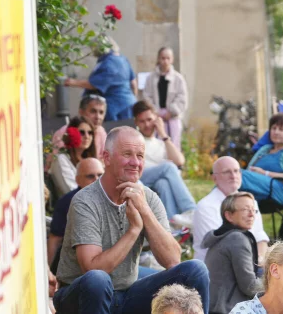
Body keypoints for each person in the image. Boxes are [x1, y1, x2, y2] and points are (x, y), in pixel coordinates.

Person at [53, 126, 209, 314]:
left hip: (126, 293)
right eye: (127, 154)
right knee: (98, 279)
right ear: (107, 158)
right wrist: (134, 230)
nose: (135, 162)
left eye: (140, 156)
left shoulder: (148, 198)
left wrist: (144, 210)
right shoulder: (85, 200)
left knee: (195, 270)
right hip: (79, 295)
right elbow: (92, 268)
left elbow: (172, 260)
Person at [192, 156, 269, 262]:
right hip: (216, 266)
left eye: (236, 171)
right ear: (214, 178)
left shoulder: (251, 202)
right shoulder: (205, 207)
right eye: (227, 172)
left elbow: (260, 237)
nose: (233, 176)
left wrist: (259, 260)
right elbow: (221, 247)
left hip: (248, 262)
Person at [133, 101, 196, 226]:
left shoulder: (161, 143)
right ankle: (190, 209)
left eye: (149, 120)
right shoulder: (134, 139)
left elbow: (179, 161)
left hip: (156, 180)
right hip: (140, 177)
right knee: (168, 167)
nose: (147, 125)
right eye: (142, 121)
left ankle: (171, 224)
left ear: (156, 119)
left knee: (163, 183)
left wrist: (163, 134)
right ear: (136, 122)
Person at [48, 158, 104, 269]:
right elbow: (55, 239)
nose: (96, 180)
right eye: (90, 176)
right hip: (79, 268)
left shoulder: (114, 196)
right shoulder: (67, 202)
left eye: (100, 175)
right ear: (78, 180)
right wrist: (47, 272)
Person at [64, 36, 137, 121]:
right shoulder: (123, 59)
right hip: (130, 104)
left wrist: (72, 82)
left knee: (113, 129)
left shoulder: (108, 63)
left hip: (114, 106)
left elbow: (95, 84)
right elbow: (134, 83)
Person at [240, 113, 283, 206]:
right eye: (273, 128)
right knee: (231, 173)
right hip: (258, 188)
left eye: (282, 129)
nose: (276, 132)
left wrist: (265, 173)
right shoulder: (265, 149)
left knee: (237, 175)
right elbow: (249, 170)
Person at [142, 47, 189, 151]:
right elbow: (147, 96)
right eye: (163, 58)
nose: (165, 61)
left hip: (172, 118)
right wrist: (155, 112)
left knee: (173, 145)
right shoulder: (151, 78)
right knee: (157, 146)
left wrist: (171, 111)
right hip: (156, 118)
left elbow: (182, 98)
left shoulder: (178, 78)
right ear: (158, 59)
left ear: (172, 59)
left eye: (168, 58)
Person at [50, 116, 97, 198]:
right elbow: (72, 191)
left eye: (90, 133)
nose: (87, 136)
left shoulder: (90, 161)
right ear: (71, 134)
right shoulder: (61, 159)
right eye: (82, 132)